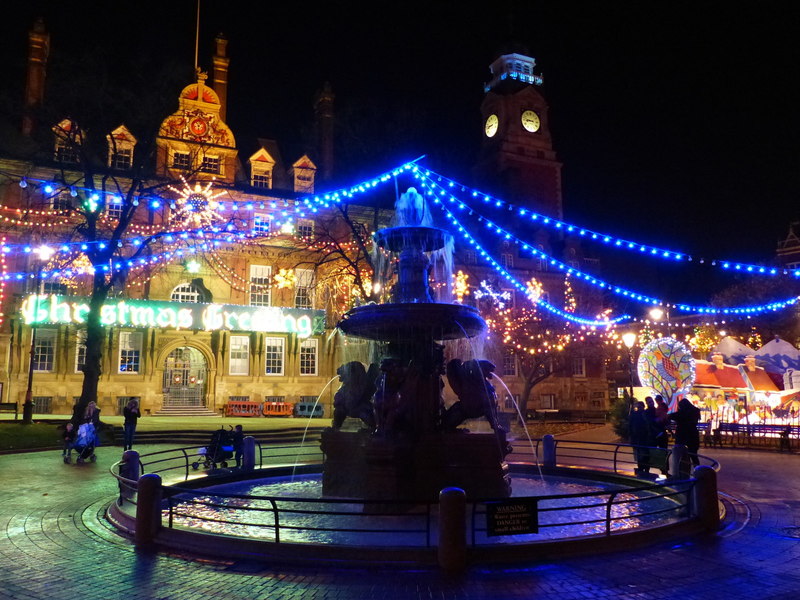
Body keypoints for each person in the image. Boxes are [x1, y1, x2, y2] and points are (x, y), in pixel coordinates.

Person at [669, 397, 702, 466]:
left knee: (682, 456)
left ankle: (683, 472)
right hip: (693, 434)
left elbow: (671, 416)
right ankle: (697, 470)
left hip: (682, 435)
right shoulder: (695, 411)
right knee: (693, 455)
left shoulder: (681, 413)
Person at [628, 401, 655, 475]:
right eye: (638, 407)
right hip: (638, 437)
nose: (639, 408)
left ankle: (644, 468)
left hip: (643, 437)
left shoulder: (644, 414)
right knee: (640, 454)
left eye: (640, 407)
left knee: (644, 454)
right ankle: (642, 467)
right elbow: (630, 425)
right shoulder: (637, 414)